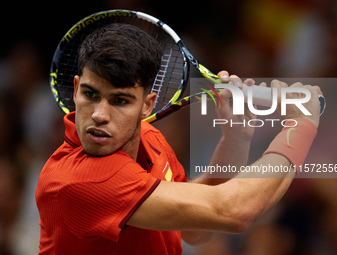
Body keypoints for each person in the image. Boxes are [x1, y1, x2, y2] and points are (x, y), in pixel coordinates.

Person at [36, 23, 322, 255]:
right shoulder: (79, 179)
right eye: (90, 94)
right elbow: (235, 211)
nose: (99, 114)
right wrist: (302, 124)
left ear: (148, 105)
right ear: (75, 89)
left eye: (120, 100)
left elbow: (196, 230)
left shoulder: (150, 139)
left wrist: (236, 137)